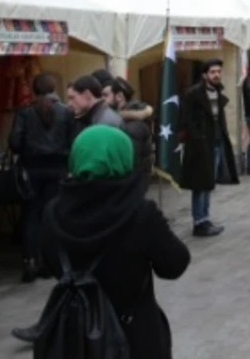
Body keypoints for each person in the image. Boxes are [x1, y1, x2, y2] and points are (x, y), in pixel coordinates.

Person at [38, 126, 191, 357]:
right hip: (134, 337)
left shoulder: (52, 213)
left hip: (77, 338)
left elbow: (49, 264)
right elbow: (175, 264)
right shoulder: (141, 212)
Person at [9, 73, 77, 283]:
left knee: (31, 216)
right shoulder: (66, 112)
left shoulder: (25, 113)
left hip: (32, 170)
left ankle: (30, 260)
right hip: (59, 169)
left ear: (34, 89)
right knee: (54, 215)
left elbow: (14, 143)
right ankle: (53, 261)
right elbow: (73, 141)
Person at [179, 58, 239, 237]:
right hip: (200, 146)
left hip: (216, 143)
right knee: (200, 184)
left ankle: (205, 218)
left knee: (209, 182)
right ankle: (199, 221)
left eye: (219, 72)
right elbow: (186, 120)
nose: (217, 75)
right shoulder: (193, 94)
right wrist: (197, 139)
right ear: (205, 75)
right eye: (213, 72)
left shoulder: (218, 93)